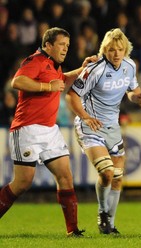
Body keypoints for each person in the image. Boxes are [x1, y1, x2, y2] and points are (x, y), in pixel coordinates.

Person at [0, 27, 96, 237]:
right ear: (48, 45)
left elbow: (61, 82)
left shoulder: (54, 66)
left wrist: (82, 69)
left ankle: (73, 231)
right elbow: (17, 81)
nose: (65, 49)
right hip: (27, 129)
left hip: (50, 130)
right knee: (23, 182)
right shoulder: (35, 60)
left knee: (65, 176)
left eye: (68, 46)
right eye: (62, 45)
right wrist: (46, 87)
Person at [65, 28, 141, 235]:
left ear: (125, 50)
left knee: (118, 177)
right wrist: (85, 117)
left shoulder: (130, 66)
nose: (116, 53)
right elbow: (71, 96)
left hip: (112, 127)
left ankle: (109, 225)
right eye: (111, 49)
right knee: (107, 172)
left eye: (120, 49)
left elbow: (133, 92)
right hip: (91, 126)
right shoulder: (95, 69)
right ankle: (103, 214)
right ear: (105, 49)